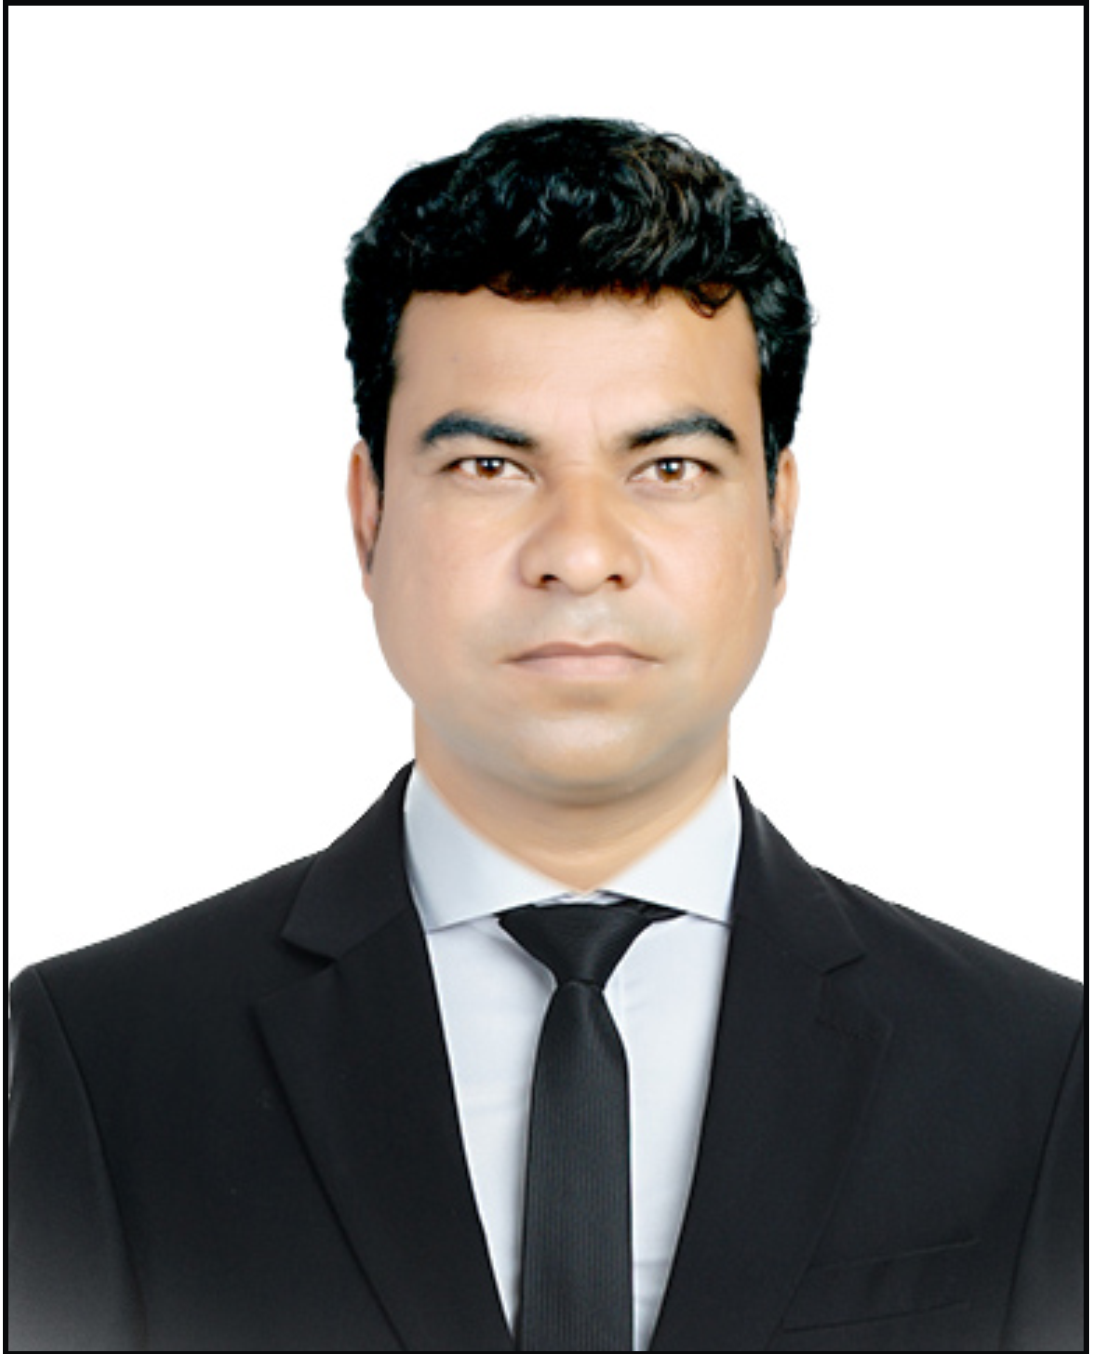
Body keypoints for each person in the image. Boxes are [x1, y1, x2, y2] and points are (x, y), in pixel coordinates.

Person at [9, 116, 1082, 1353]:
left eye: (668, 467)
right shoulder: (113, 1054)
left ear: (778, 519)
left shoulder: (1034, 1068)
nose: (579, 552)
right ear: (369, 515)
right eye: (489, 467)